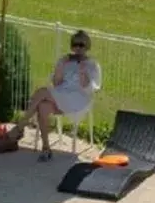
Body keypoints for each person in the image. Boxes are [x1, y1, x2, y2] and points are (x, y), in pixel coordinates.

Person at [13, 30, 101, 161]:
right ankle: (46, 148)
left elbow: (89, 88)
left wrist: (83, 72)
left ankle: (20, 126)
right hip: (62, 94)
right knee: (42, 106)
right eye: (75, 45)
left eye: (81, 45)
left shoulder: (93, 65)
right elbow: (56, 83)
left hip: (79, 98)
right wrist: (60, 66)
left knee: (42, 91)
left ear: (87, 46)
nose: (78, 48)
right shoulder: (65, 61)